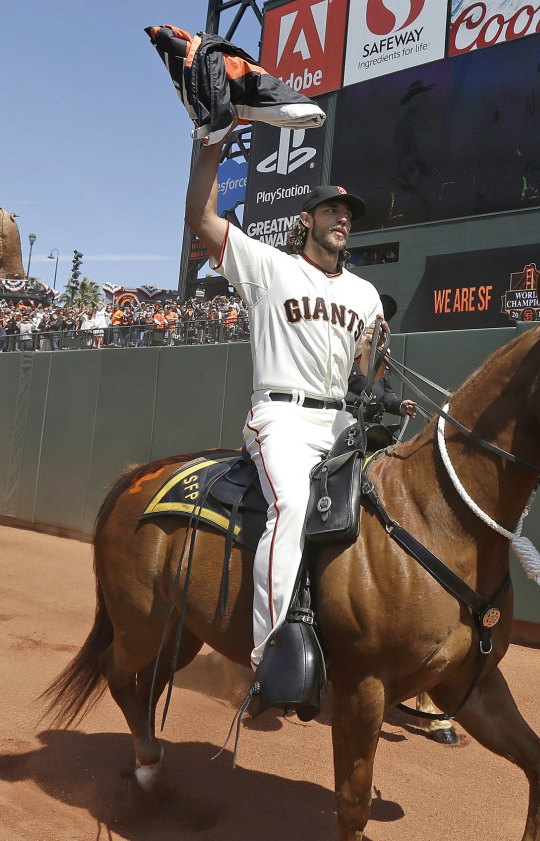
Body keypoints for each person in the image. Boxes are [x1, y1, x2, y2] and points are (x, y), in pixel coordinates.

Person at [185, 139, 383, 669]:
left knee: (391, 511)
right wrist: (210, 148)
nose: (343, 218)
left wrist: (375, 384)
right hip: (282, 417)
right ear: (308, 219)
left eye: (348, 213)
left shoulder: (366, 293)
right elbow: (201, 218)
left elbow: (366, 366)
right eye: (332, 210)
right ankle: (268, 657)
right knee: (292, 506)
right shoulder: (268, 265)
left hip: (339, 420)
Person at [346, 367, 419, 451]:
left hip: (374, 427)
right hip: (349, 422)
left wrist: (400, 405)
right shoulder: (353, 358)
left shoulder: (382, 364)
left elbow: (387, 394)